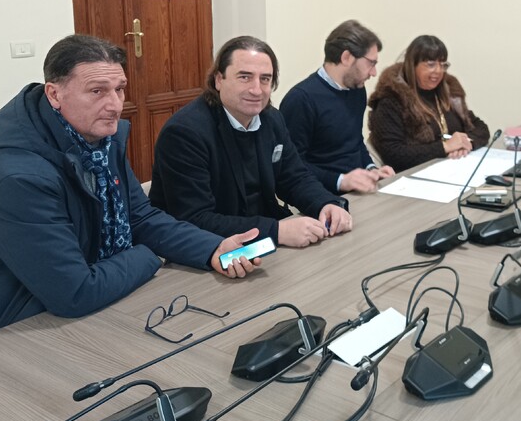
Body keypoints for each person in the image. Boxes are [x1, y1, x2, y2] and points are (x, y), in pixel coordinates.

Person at [0, 35, 261, 343]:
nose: (115, 105)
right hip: (13, 337)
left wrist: (212, 248)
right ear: (54, 94)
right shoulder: (18, 179)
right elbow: (75, 293)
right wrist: (152, 256)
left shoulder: (100, 143)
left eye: (119, 89)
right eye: (97, 91)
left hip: (86, 312)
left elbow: (140, 217)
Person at [150, 35, 353, 249]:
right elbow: (195, 219)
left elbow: (294, 177)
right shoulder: (184, 133)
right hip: (212, 249)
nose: (257, 90)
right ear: (219, 80)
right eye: (245, 77)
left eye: (265, 79)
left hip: (263, 242)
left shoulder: (272, 119)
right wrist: (276, 232)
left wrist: (326, 203)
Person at [279, 20, 394, 194]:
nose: (374, 72)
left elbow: (355, 142)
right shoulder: (301, 99)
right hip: (322, 196)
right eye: (371, 63)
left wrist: (371, 169)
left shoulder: (357, 89)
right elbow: (291, 165)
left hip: (358, 190)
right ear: (346, 57)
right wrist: (340, 181)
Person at [367, 34, 491, 172]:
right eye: (431, 65)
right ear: (412, 65)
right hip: (412, 176)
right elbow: (394, 155)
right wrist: (445, 147)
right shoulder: (391, 99)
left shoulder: (449, 93)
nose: (438, 71)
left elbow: (480, 127)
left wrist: (466, 143)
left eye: (443, 65)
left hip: (452, 170)